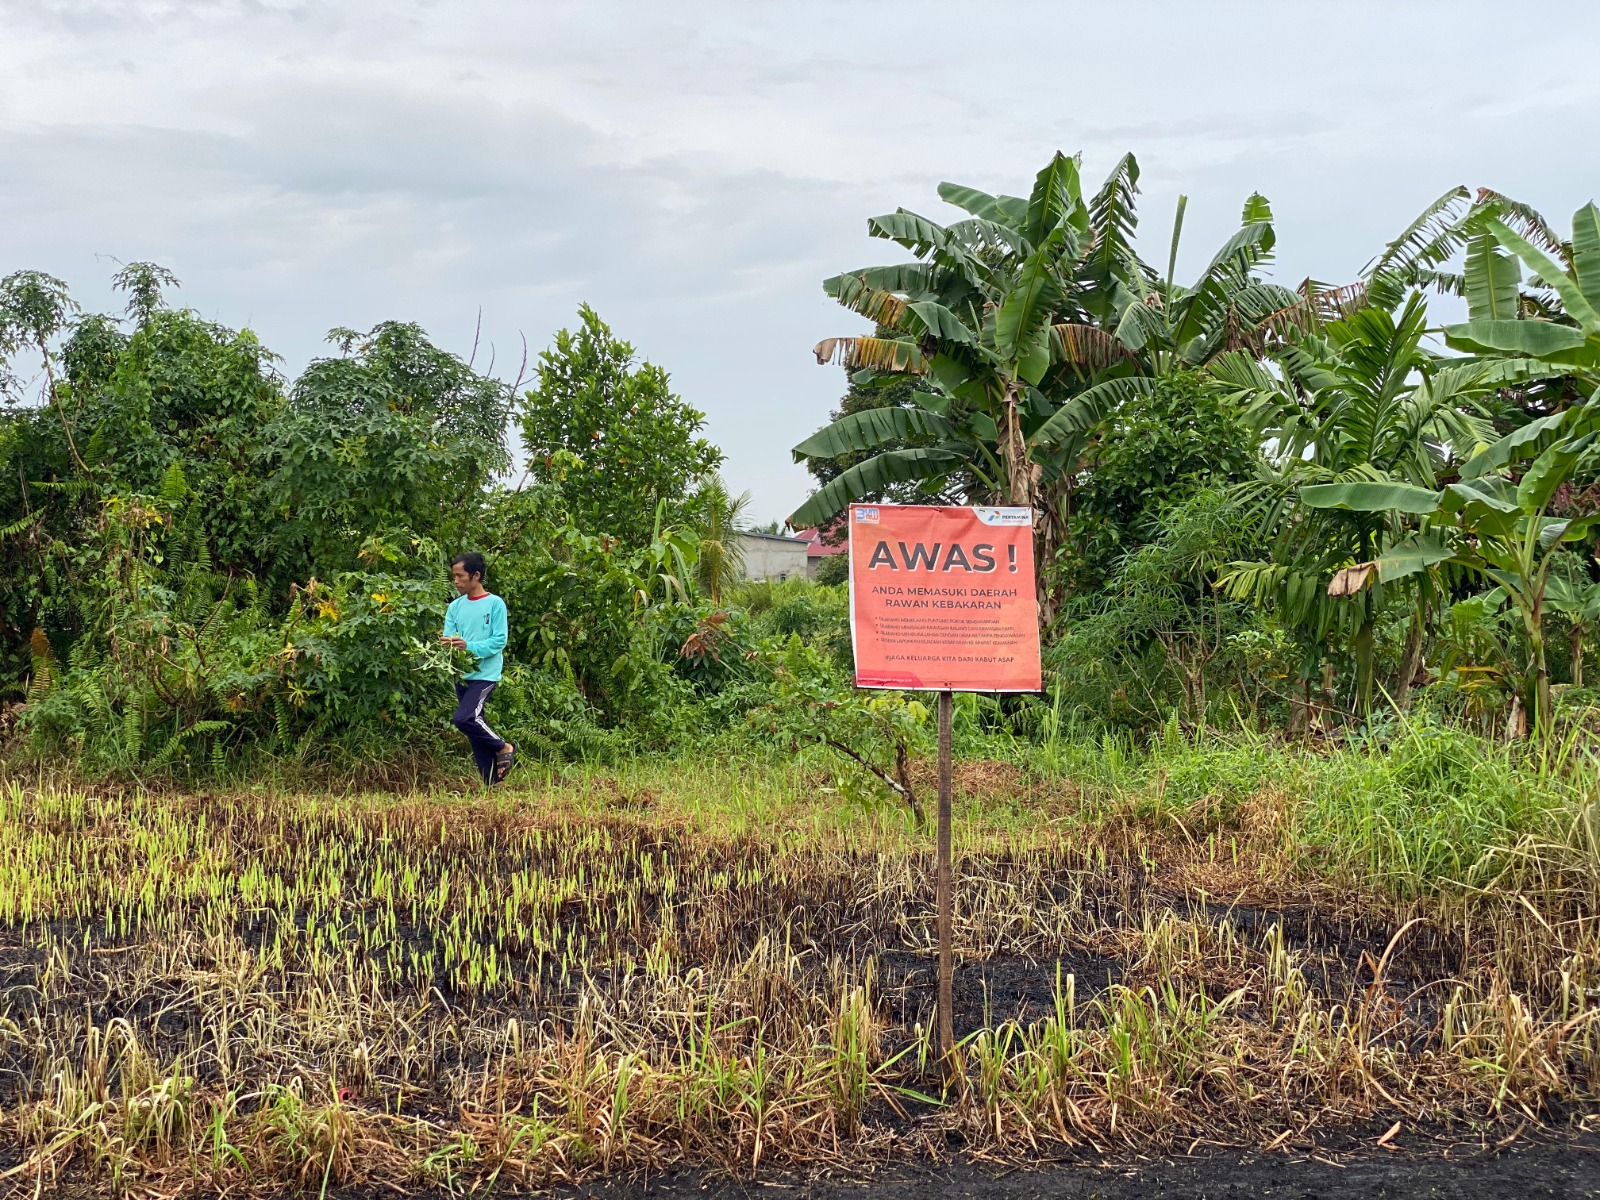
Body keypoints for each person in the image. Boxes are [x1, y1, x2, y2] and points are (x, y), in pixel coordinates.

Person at [441, 551, 516, 784]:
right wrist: (449, 645)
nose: (456, 581)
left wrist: (468, 647)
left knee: (464, 719)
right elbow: (448, 638)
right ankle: (491, 783)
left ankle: (503, 746)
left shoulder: (495, 604)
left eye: (460, 576)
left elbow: (498, 641)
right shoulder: (454, 607)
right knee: (474, 729)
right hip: (461, 675)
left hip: (485, 674)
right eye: (454, 576)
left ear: (476, 576)